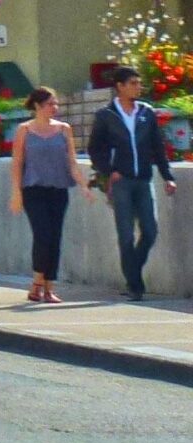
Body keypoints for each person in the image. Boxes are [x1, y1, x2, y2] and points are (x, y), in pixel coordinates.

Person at [88, 67, 179, 300]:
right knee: (126, 234)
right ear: (120, 86)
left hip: (143, 179)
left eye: (139, 83)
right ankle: (135, 286)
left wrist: (167, 176)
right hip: (122, 182)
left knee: (150, 231)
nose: (138, 87)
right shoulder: (106, 115)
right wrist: (109, 172)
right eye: (133, 83)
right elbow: (95, 149)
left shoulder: (146, 113)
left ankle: (133, 271)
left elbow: (157, 147)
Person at [7, 87, 88, 303]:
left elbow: (71, 161)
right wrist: (16, 192)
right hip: (33, 189)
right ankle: (37, 283)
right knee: (42, 235)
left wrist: (83, 185)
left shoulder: (64, 129)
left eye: (56, 104)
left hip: (58, 189)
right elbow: (17, 163)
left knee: (55, 237)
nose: (55, 108)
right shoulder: (24, 130)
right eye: (51, 103)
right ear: (38, 105)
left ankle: (49, 287)